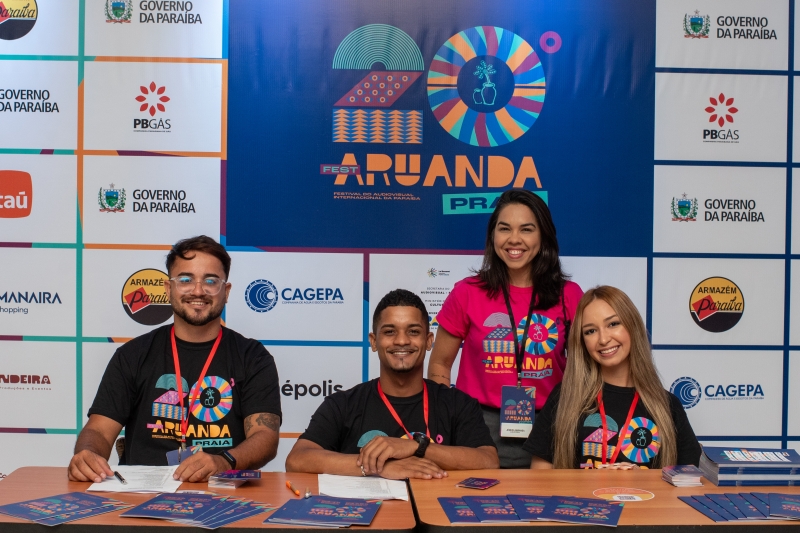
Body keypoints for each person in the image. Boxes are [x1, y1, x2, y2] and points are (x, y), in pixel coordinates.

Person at [68, 236, 282, 483]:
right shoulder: (133, 354)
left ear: (226, 292)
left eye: (211, 281)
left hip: (220, 491)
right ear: (169, 289)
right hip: (142, 492)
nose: (198, 291)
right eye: (185, 280)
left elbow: (265, 437)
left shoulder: (253, 357)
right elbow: (98, 431)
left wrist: (224, 461)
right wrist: (88, 454)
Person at [428, 189, 582, 468]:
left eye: (526, 229)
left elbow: (586, 368)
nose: (514, 239)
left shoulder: (568, 295)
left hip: (549, 425)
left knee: (543, 497)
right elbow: (440, 363)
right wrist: (447, 418)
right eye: (504, 228)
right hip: (476, 425)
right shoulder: (467, 292)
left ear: (543, 236)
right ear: (493, 236)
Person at [285, 289, 498, 479]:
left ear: (429, 340)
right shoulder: (343, 404)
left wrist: (416, 447)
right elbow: (297, 460)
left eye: (413, 331)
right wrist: (379, 467)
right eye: (389, 331)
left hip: (434, 509)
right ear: (374, 341)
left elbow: (488, 461)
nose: (401, 341)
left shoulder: (458, 403)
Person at [524, 286, 702, 469]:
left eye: (613, 324)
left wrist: (643, 480)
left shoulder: (668, 405)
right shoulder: (563, 397)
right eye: (590, 331)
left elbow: (688, 479)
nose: (603, 339)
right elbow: (540, 478)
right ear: (582, 341)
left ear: (632, 326)